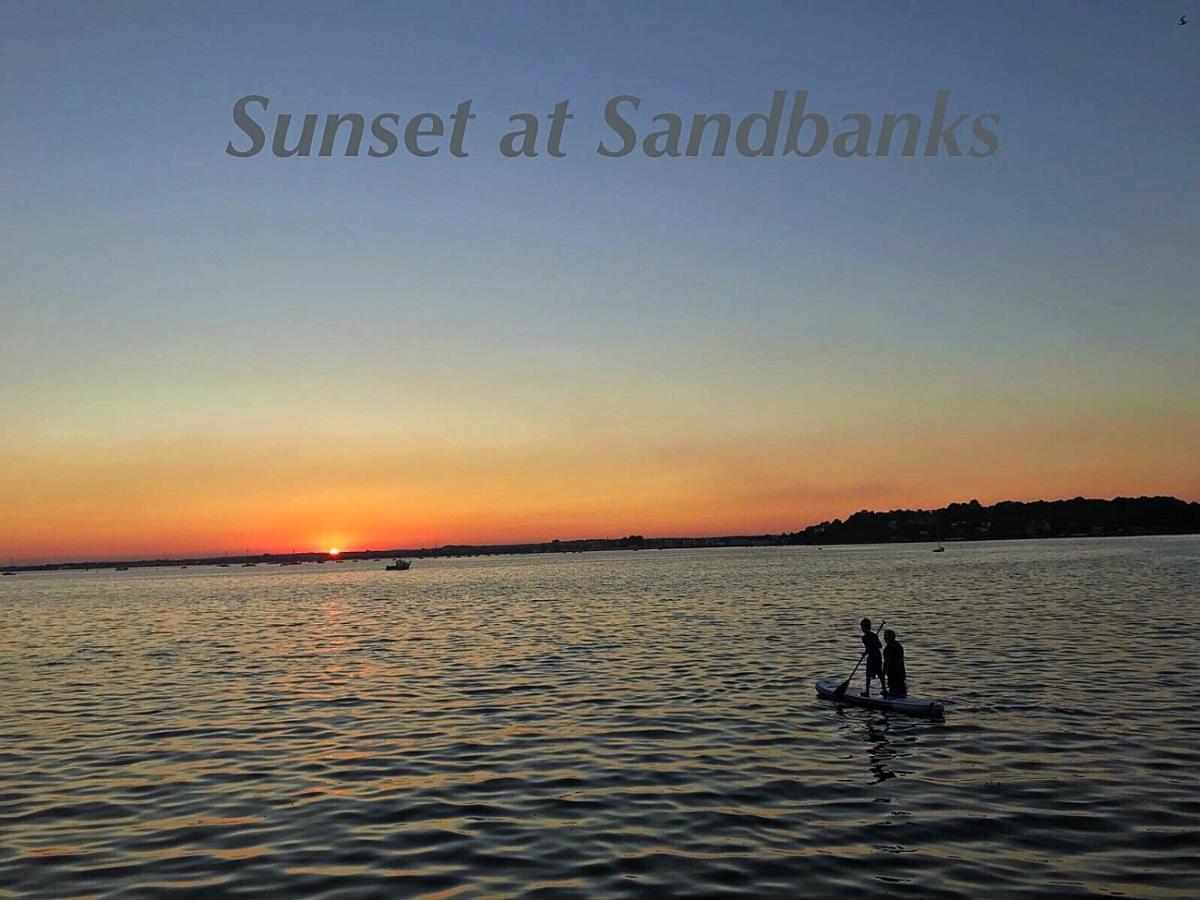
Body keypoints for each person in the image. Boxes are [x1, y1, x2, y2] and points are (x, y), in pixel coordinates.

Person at [860, 617, 885, 697]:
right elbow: (875, 646)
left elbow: (878, 646)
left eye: (862, 627)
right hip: (877, 655)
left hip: (873, 657)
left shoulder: (865, 637)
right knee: (879, 673)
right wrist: (866, 652)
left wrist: (867, 651)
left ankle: (867, 692)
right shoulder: (873, 636)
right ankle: (884, 689)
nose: (862, 629)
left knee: (870, 674)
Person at [882, 629, 907, 698]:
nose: (884, 638)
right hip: (901, 673)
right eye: (884, 636)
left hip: (893, 674)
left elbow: (886, 662)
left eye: (886, 636)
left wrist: (883, 673)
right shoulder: (899, 646)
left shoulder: (887, 649)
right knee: (902, 692)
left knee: (893, 690)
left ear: (891, 637)